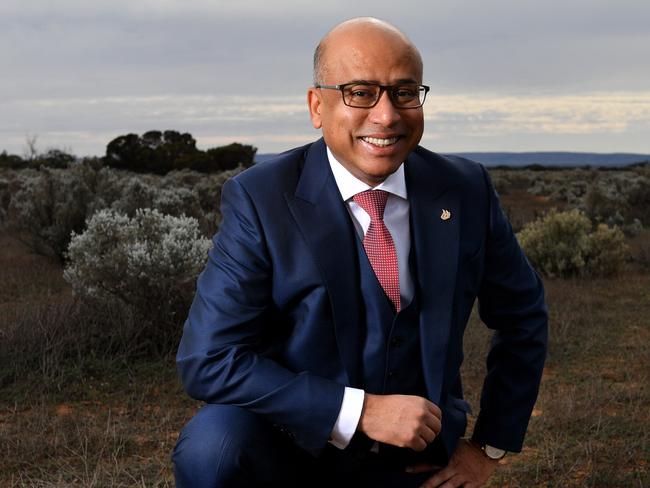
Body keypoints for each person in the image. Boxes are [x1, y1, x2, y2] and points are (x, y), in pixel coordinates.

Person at [172, 17, 548, 488]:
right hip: (289, 444)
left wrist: (488, 447)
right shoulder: (261, 198)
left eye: (404, 92)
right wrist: (360, 411)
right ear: (317, 105)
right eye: (360, 92)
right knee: (213, 447)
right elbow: (208, 359)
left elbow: (524, 315)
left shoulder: (464, 189)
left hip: (417, 458)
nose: (387, 115)